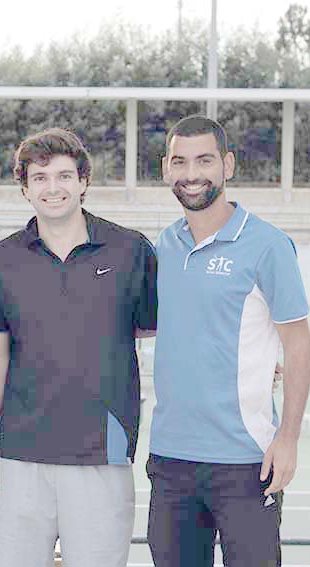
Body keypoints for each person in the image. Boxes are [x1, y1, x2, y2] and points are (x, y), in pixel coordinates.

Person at [0, 127, 157, 567]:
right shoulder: (2, 258)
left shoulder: (130, 250)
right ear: (25, 188)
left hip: (101, 452)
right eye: (39, 178)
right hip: (20, 452)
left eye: (63, 176)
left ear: (83, 181)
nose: (52, 187)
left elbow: (155, 331)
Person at [147, 115, 310, 567]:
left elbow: (299, 345)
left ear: (228, 165)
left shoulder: (267, 245)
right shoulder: (165, 245)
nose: (191, 173)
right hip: (171, 460)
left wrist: (289, 438)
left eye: (204, 160)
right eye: (180, 162)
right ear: (165, 169)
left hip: (246, 461)